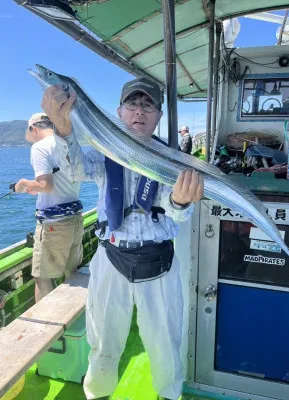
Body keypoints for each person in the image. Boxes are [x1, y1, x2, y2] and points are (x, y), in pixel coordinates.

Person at [41, 76, 204, 400]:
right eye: (132, 104)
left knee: (166, 346)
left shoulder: (173, 159)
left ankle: (168, 395)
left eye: (147, 105)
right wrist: (63, 130)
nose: (139, 112)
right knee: (102, 343)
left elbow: (177, 212)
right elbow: (74, 171)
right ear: (120, 111)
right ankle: (97, 394)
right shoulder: (105, 150)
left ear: (158, 116)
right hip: (111, 260)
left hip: (158, 262)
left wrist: (181, 201)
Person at [14, 113, 84, 302]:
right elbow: (60, 184)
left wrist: (22, 184)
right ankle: (75, 319)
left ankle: (47, 327)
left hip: (54, 224)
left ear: (34, 129)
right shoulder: (66, 143)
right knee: (73, 273)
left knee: (42, 276)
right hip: (75, 220)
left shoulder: (39, 147)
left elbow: (46, 185)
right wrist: (36, 187)